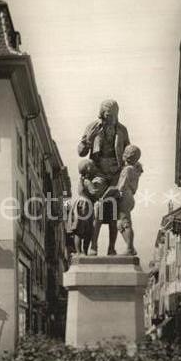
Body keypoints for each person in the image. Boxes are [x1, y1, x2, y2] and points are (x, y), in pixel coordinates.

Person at [78, 100, 130, 255]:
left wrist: (132, 166)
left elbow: (128, 152)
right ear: (102, 114)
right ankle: (94, 245)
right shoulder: (92, 127)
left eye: (114, 115)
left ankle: (111, 247)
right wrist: (88, 139)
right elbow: (80, 151)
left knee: (113, 211)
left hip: (115, 173)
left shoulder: (122, 130)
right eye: (108, 115)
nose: (111, 119)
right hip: (98, 172)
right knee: (98, 208)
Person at [67, 159, 106, 255]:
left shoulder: (83, 180)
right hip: (84, 204)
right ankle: (80, 252)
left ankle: (82, 252)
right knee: (80, 230)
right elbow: (93, 191)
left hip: (86, 205)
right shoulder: (86, 181)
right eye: (93, 166)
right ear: (88, 169)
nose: (95, 168)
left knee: (86, 231)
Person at [113, 144, 143, 255]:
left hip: (124, 196)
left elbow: (121, 186)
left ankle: (129, 248)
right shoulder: (135, 170)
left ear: (126, 155)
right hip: (130, 196)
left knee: (125, 223)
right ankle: (130, 247)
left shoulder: (127, 169)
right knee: (121, 223)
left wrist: (114, 193)